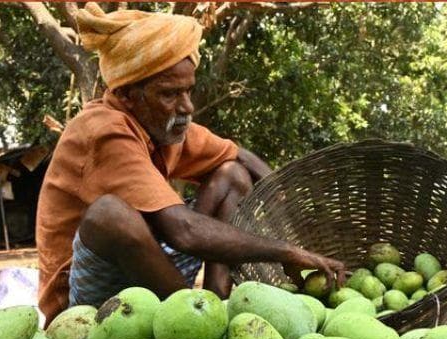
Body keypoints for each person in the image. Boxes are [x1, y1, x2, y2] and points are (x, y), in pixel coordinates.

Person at [36, 3, 344, 322]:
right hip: (83, 301)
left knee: (232, 175)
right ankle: (202, 320)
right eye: (170, 94)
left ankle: (217, 298)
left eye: (189, 91)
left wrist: (294, 215)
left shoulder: (161, 124)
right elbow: (182, 231)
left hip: (146, 272)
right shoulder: (104, 130)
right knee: (110, 214)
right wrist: (285, 251)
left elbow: (238, 155)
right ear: (127, 95)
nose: (186, 106)